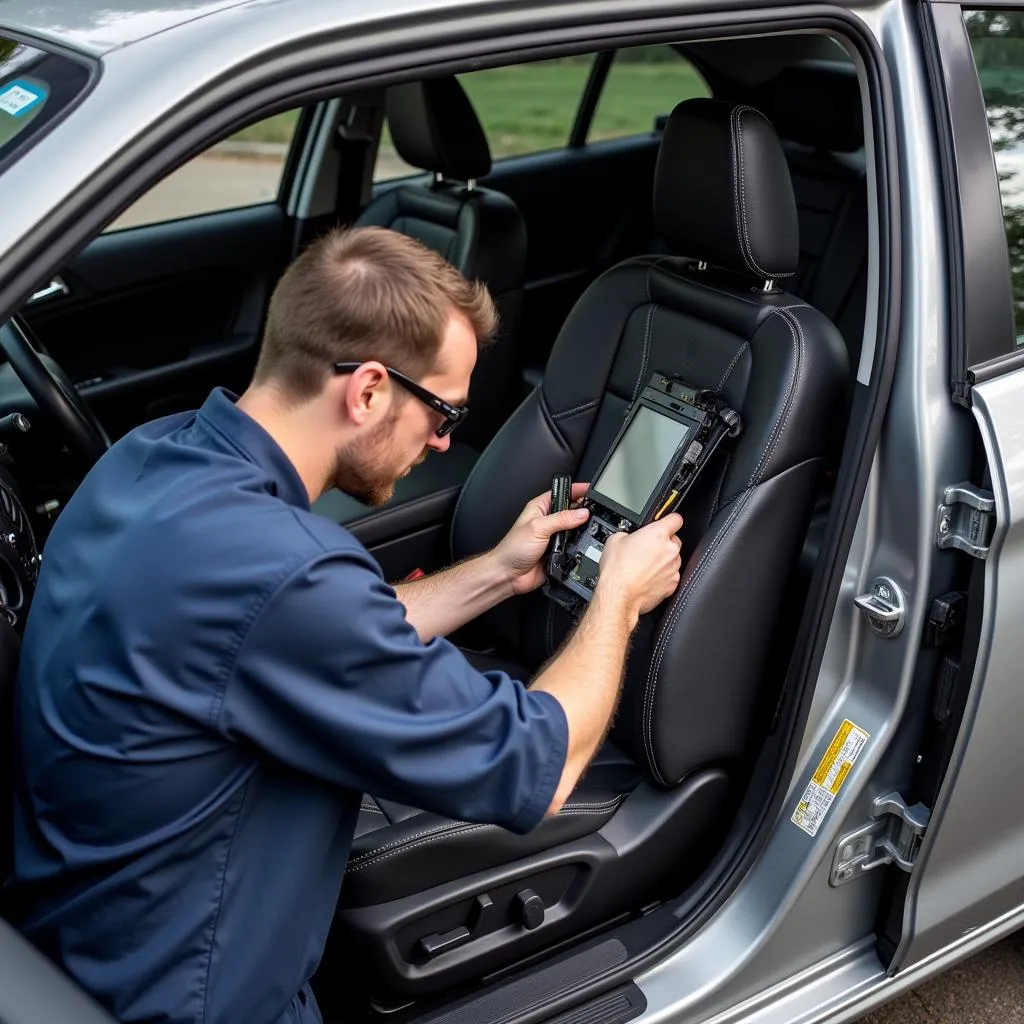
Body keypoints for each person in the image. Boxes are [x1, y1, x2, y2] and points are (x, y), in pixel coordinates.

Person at [7, 226, 683, 1024]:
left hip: (70, 939)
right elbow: (534, 764)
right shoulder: (285, 571)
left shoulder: (149, 459)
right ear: (366, 391)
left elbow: (298, 634)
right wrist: (619, 600)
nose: (441, 442)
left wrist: (502, 570)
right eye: (442, 413)